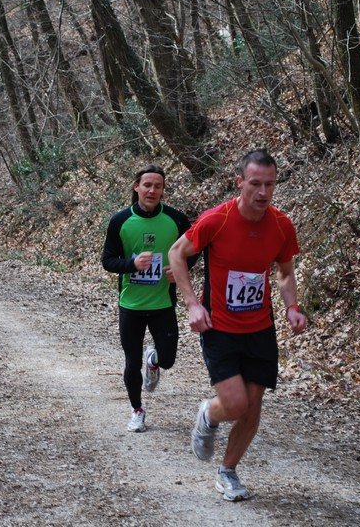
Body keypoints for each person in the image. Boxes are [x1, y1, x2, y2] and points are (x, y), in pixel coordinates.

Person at [168, 149, 308, 501]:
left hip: (260, 328)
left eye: (270, 184)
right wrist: (193, 304)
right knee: (235, 404)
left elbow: (285, 273)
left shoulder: (281, 225)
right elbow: (176, 253)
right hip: (219, 326)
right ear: (239, 182)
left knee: (253, 405)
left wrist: (292, 307)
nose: (263, 192)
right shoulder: (218, 219)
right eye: (255, 183)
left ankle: (227, 471)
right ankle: (209, 413)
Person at [101, 164, 194, 433]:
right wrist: (131, 265)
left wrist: (181, 269)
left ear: (163, 190)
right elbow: (108, 260)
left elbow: (194, 248)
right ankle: (137, 410)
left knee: (168, 359)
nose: (152, 190)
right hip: (131, 304)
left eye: (158, 186)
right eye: (147, 185)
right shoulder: (120, 220)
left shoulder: (176, 220)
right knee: (131, 361)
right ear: (137, 187)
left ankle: (153, 361)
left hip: (162, 303)